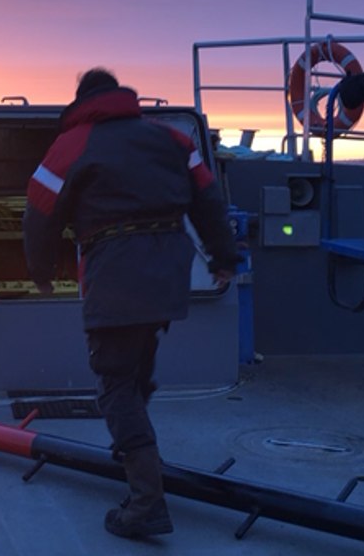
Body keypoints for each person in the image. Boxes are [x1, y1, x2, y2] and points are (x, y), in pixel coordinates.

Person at [23, 67, 240, 539]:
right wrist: (225, 257)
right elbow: (208, 198)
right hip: (168, 272)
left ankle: (146, 503)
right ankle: (134, 448)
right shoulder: (171, 141)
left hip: (116, 270)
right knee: (136, 364)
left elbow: (38, 210)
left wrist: (40, 272)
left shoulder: (73, 143)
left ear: (82, 100)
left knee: (114, 382)